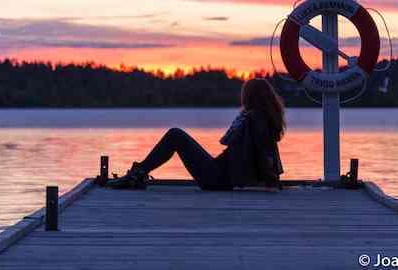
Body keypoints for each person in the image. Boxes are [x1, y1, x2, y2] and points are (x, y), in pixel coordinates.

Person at [107, 78, 285, 190]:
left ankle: (137, 174)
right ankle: (138, 173)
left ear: (249, 97)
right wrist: (271, 179)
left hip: (218, 179)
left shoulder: (253, 119)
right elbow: (266, 153)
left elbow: (261, 153)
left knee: (175, 135)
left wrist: (264, 182)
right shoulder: (264, 119)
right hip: (222, 175)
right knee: (176, 135)